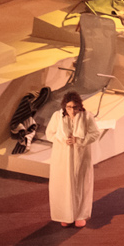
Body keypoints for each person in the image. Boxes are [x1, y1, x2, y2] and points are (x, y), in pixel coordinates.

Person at [46, 92, 99, 227]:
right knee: (63, 185)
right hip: (62, 156)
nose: (72, 110)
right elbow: (50, 134)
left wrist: (78, 140)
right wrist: (63, 139)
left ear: (79, 106)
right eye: (69, 107)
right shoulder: (57, 117)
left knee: (80, 184)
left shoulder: (87, 116)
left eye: (75, 107)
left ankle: (80, 215)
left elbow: (95, 134)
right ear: (65, 106)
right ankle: (65, 214)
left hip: (80, 156)